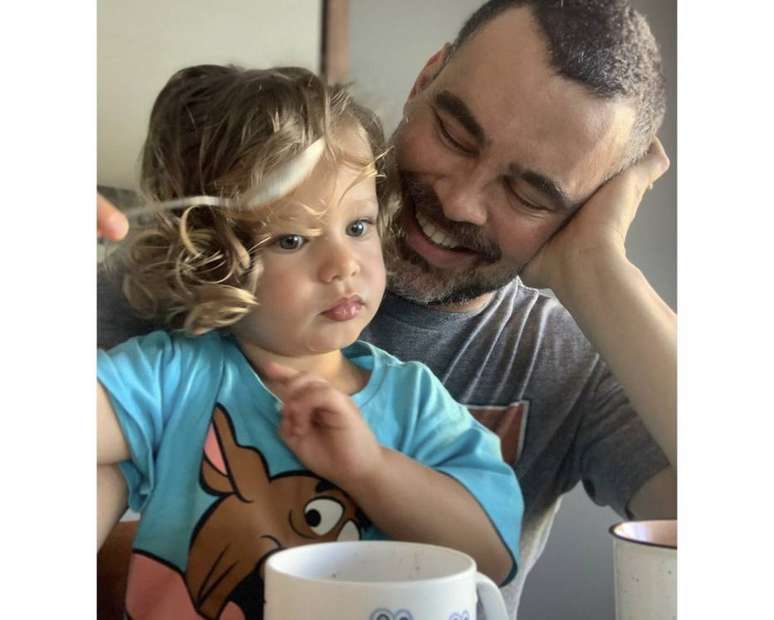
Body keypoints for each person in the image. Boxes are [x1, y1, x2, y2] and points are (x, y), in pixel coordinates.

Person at [98, 1, 677, 616]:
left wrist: (598, 266)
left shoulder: (576, 356)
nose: (460, 202)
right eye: (455, 135)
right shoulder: (174, 290)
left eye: (529, 194)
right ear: (425, 80)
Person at [97, 64, 522, 619]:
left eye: (358, 227)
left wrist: (369, 468)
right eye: (293, 239)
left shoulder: (413, 402)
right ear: (214, 256)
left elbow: (490, 556)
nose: (343, 264)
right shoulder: (171, 379)